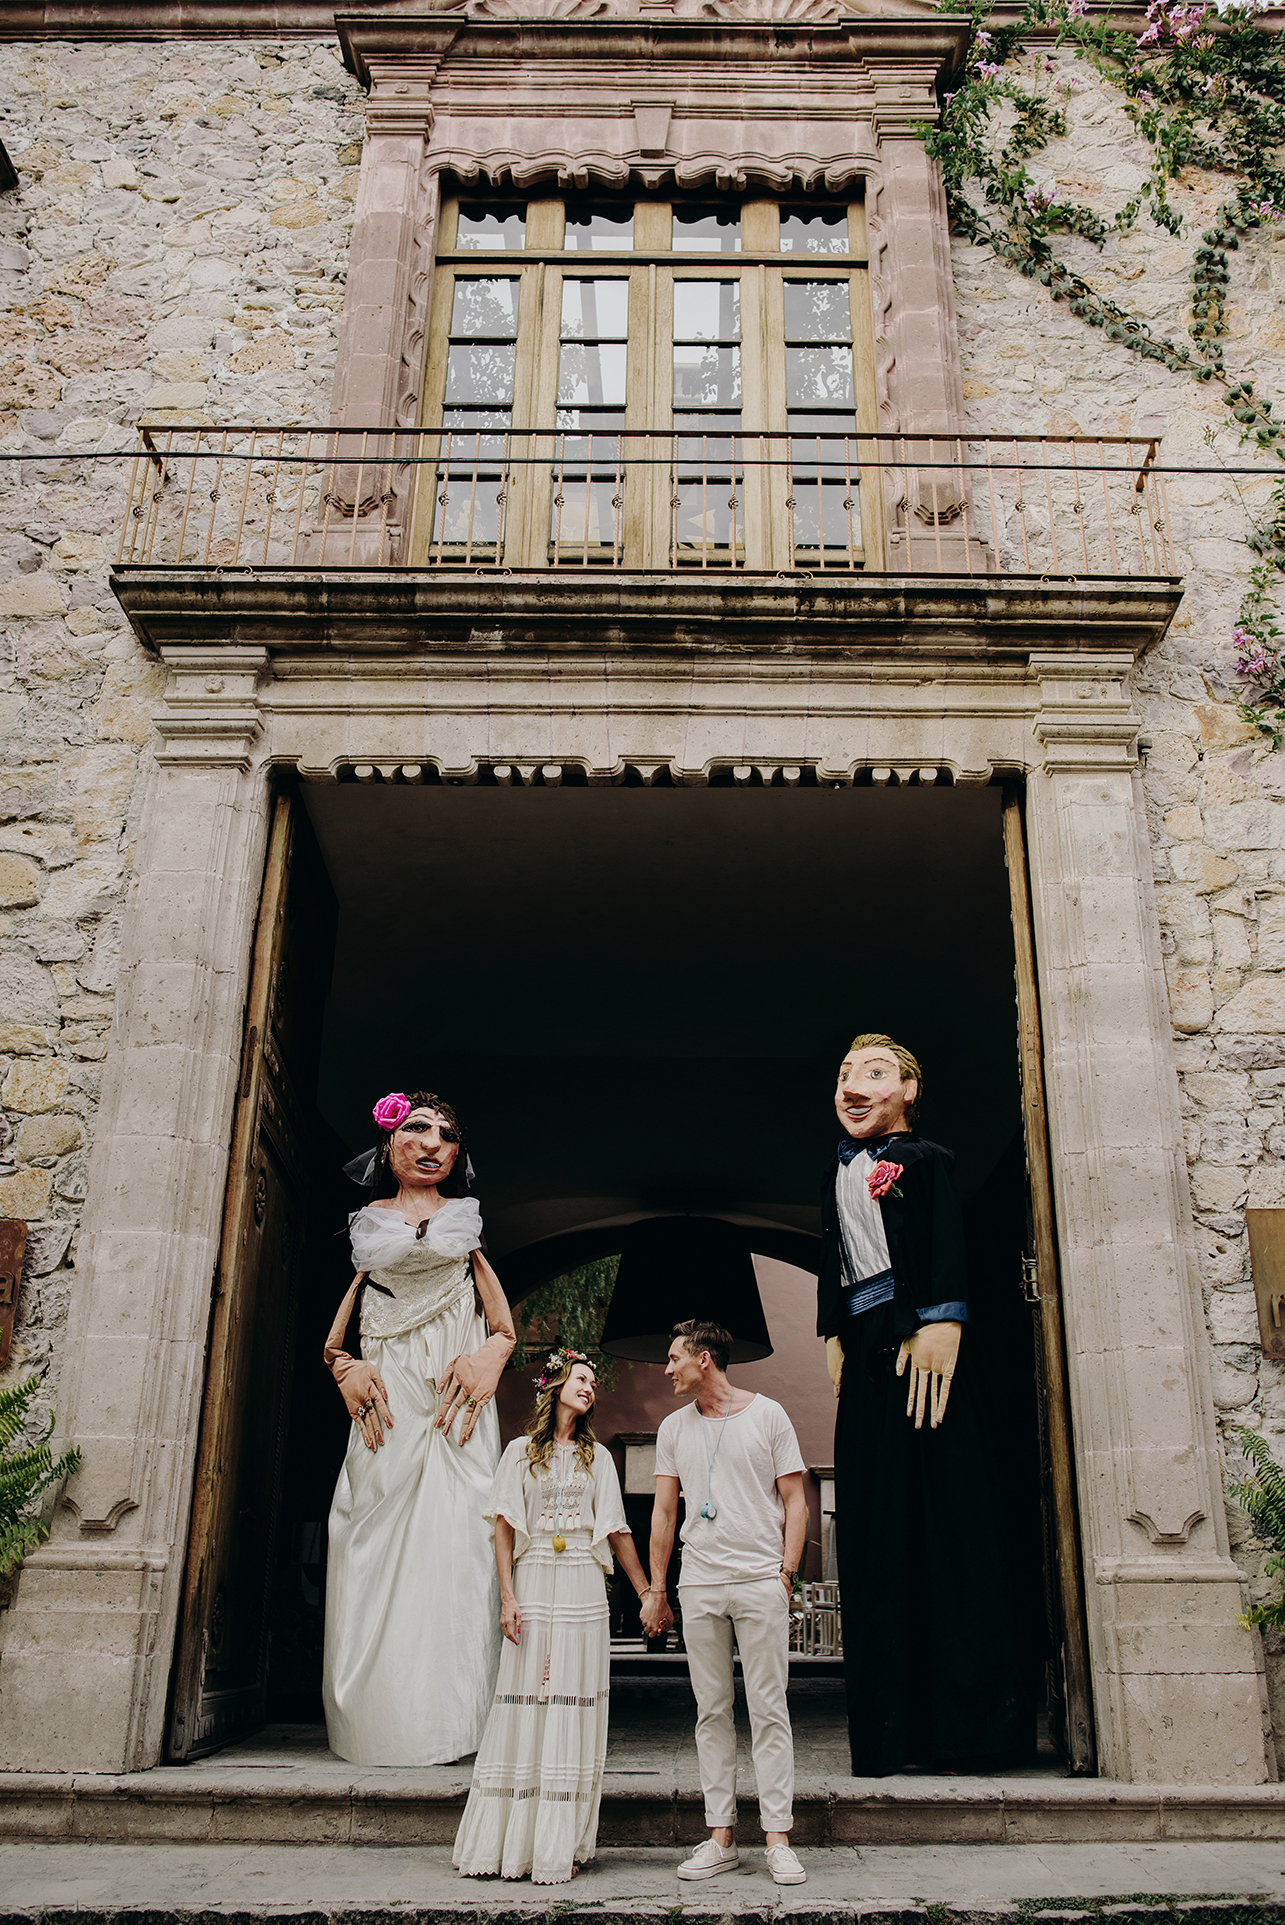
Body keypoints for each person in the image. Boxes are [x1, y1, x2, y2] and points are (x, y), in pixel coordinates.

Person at [818, 1032, 1024, 1776]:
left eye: (872, 1072)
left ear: (908, 1090)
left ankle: (965, 1729)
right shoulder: (836, 1170)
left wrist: (944, 1318)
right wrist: (831, 1333)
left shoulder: (926, 1161)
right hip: (864, 1349)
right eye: (843, 1073)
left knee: (944, 1511)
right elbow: (833, 1258)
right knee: (875, 1527)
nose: (851, 1085)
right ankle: (886, 1730)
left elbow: (944, 1241)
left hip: (921, 1348)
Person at [322, 1088, 516, 1766]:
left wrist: (494, 1352)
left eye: (446, 1134)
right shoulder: (364, 1222)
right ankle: (378, 1722)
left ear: (457, 1155)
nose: (433, 1142)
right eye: (417, 1128)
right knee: (369, 1540)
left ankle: (454, 1721)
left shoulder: (466, 1222)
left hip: (455, 1399)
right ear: (388, 1145)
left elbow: (499, 1317)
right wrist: (343, 1366)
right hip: (389, 1398)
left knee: (462, 1541)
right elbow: (337, 1324)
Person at [453, 1348, 650, 1885]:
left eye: (594, 1382)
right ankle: (508, 1840)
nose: (590, 1388)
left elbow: (616, 1528)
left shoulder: (598, 1460)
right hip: (535, 1576)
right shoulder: (519, 1452)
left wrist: (645, 1592)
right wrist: (507, 1598)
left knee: (573, 1702)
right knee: (527, 1698)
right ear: (556, 1384)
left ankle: (561, 1840)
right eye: (581, 1379)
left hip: (584, 1585)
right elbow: (503, 1527)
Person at [642, 1320, 808, 1888]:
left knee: (769, 1708)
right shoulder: (671, 1428)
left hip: (760, 1579)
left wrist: (785, 1575)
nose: (666, 1369)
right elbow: (664, 1513)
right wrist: (658, 1589)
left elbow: (796, 1499)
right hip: (701, 1583)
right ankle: (721, 1838)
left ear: (704, 1359)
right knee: (710, 1711)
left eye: (673, 1359)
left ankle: (778, 1839)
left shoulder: (769, 1415)